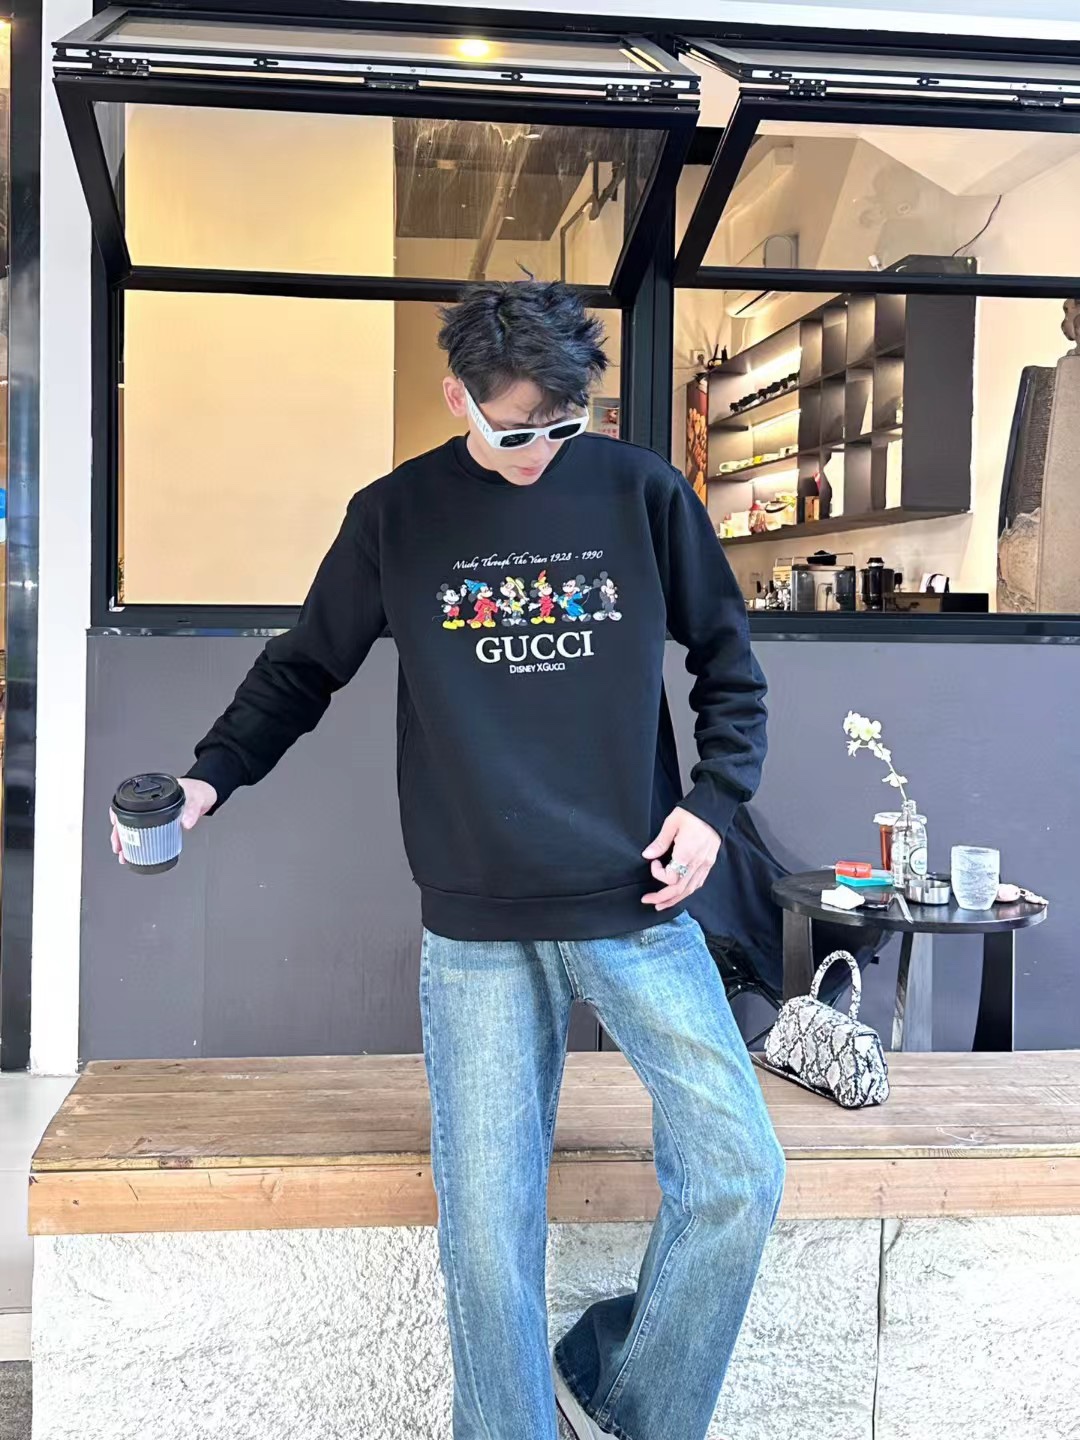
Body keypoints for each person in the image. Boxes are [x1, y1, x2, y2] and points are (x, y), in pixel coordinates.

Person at [110, 280, 785, 1440]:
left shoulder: (642, 493)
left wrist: (714, 803)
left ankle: (618, 1397)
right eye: (516, 431)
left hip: (632, 905)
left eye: (564, 427)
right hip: (475, 930)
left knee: (740, 1170)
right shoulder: (398, 516)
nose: (539, 452)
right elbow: (300, 669)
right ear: (456, 398)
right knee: (485, 1240)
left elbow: (730, 663)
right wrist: (211, 777)